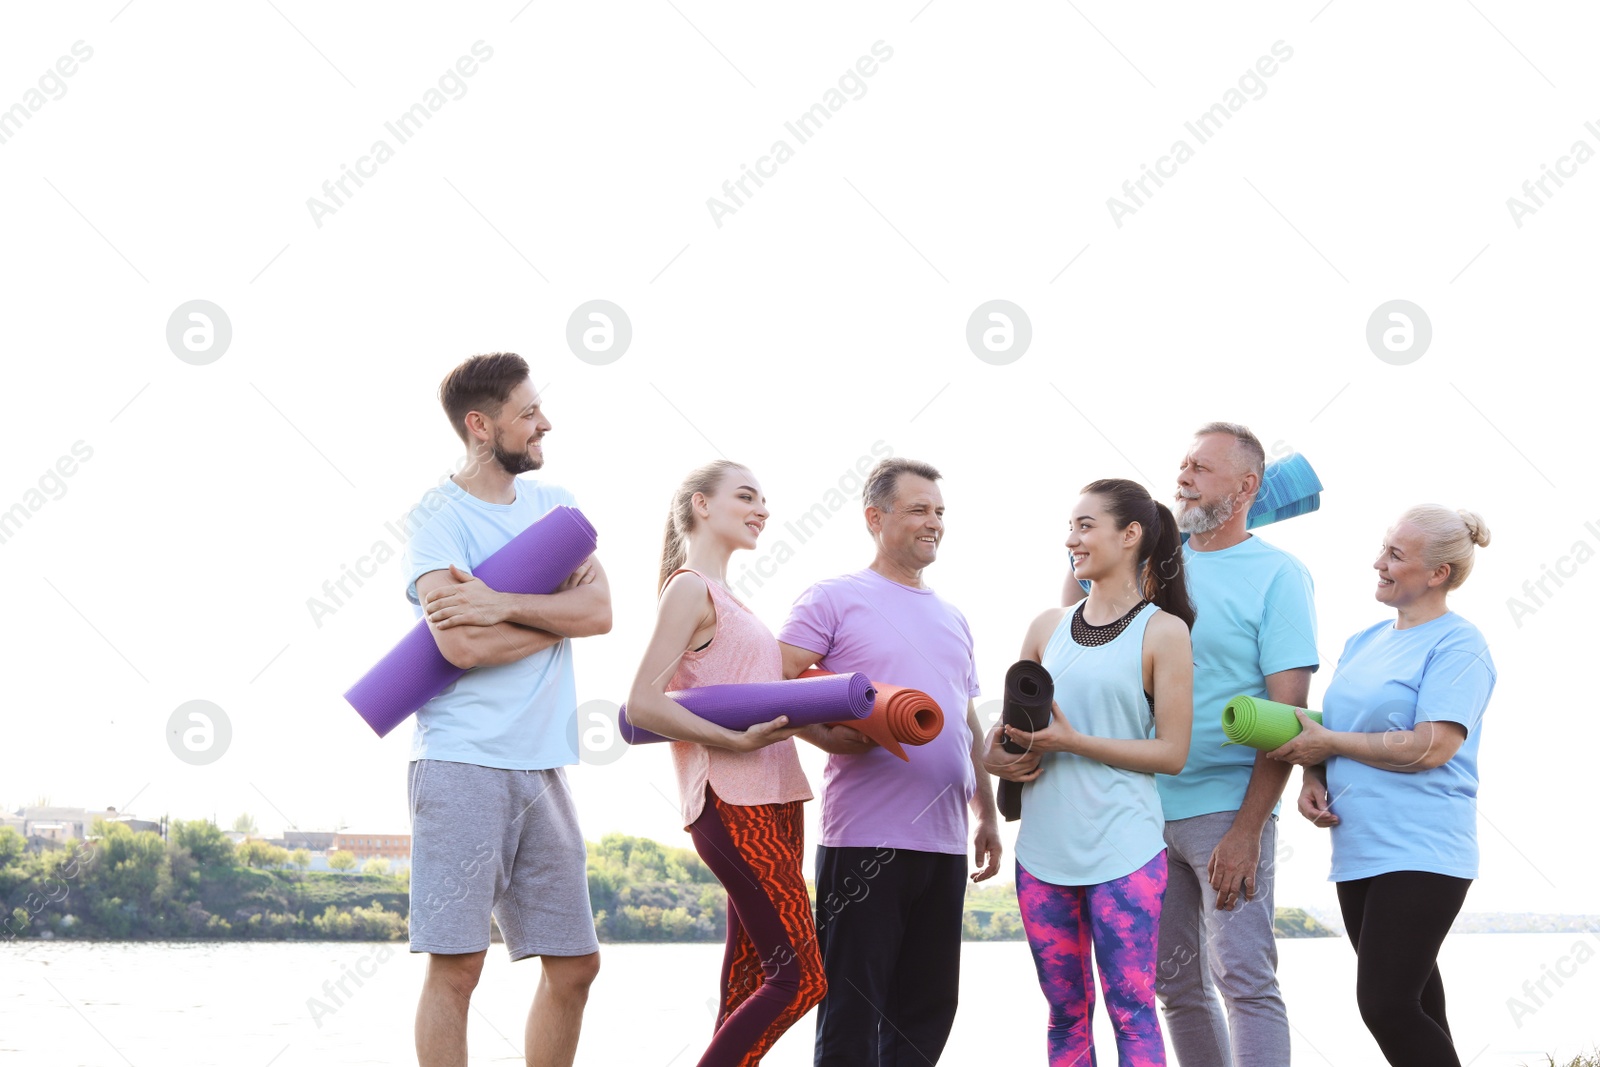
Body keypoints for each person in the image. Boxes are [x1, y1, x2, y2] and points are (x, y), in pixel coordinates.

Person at [403, 352, 612, 1067]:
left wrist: (501, 602)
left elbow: (602, 610)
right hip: (463, 762)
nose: (544, 421)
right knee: (458, 965)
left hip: (543, 767)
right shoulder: (436, 517)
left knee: (576, 965)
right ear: (480, 426)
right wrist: (555, 613)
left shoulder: (556, 508)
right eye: (527, 412)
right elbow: (458, 645)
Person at [777, 457, 1002, 1067]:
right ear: (875, 518)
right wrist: (826, 738)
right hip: (866, 839)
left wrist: (985, 811)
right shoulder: (834, 598)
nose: (934, 523)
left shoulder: (953, 616)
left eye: (939, 511)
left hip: (945, 842)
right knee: (854, 1009)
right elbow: (778, 680)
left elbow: (965, 718)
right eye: (919, 509)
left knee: (929, 1009)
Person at [1268, 506, 1496, 1067]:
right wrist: (1312, 775)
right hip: (1359, 850)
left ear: (1438, 573)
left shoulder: (1460, 645)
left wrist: (1331, 747)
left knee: (1385, 1004)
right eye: (1383, 550)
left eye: (1396, 554)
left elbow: (1431, 745)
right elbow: (1334, 729)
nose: (1379, 563)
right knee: (1418, 1005)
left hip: (1423, 849)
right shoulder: (1364, 640)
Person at [986, 478, 1194, 1066]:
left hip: (1124, 849)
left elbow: (1172, 753)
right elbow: (1003, 734)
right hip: (1043, 854)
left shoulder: (1163, 631)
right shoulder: (1045, 627)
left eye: (1085, 525)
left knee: (1132, 1010)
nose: (1071, 539)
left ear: (1130, 535)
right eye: (1070, 526)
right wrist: (996, 754)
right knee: (1064, 1013)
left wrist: (1075, 742)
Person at [625, 460, 826, 1067]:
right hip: (732, 802)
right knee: (801, 979)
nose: (762, 509)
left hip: (776, 797)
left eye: (764, 499)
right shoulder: (690, 588)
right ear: (701, 505)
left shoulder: (731, 598)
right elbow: (642, 702)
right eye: (746, 496)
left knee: (749, 985)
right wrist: (731, 742)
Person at [1154, 422, 1318, 1067]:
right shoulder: (1156, 566)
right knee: (1174, 986)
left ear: (1247, 487)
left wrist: (1249, 827)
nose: (1183, 476)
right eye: (1183, 464)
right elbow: (1075, 626)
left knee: (1244, 979)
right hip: (1145, 809)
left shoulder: (1279, 575)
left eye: (1201, 467)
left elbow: (1287, 712)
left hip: (1227, 809)